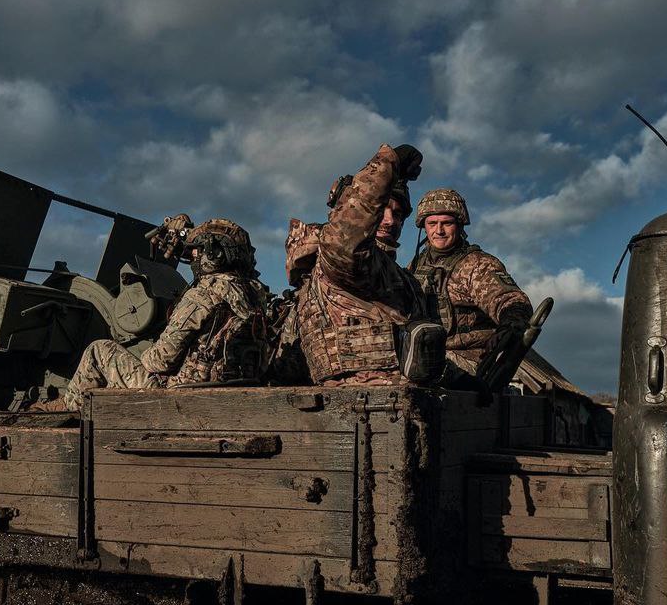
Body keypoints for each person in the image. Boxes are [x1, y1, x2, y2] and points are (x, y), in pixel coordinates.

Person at [37, 218, 272, 410]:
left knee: (99, 350)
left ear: (215, 254)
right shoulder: (255, 297)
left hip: (179, 398)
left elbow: (162, 359)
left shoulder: (203, 296)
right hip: (229, 393)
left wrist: (143, 355)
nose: (193, 258)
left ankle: (68, 410)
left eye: (198, 252)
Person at [292, 144, 443, 385]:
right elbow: (347, 235)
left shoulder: (403, 279)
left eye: (399, 214)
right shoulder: (339, 259)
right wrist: (389, 163)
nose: (390, 221)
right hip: (358, 402)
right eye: (382, 209)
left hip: (403, 397)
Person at [408, 188, 533, 377]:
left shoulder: (477, 265)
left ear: (459, 225)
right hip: (423, 356)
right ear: (423, 227)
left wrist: (508, 327)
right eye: (432, 223)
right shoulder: (415, 266)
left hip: (466, 360)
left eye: (447, 223)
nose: (439, 230)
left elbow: (511, 301)